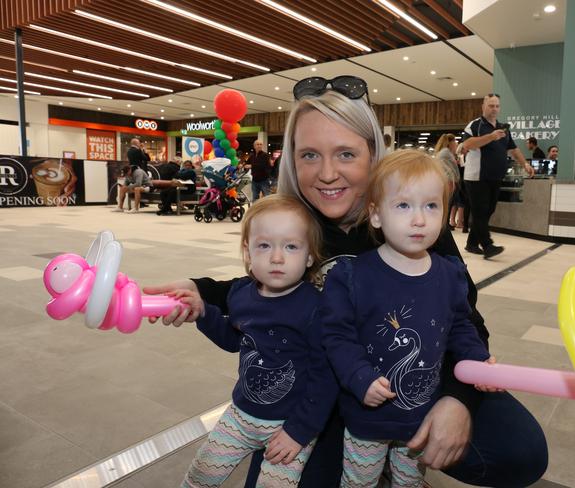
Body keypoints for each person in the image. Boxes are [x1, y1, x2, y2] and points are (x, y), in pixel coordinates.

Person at [145, 77, 547, 488]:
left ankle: (398, 454)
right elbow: (264, 282)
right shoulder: (298, 222)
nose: (327, 173)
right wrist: (199, 289)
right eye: (309, 155)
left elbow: (465, 319)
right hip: (322, 395)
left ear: (373, 155)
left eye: (346, 154)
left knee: (519, 450)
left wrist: (456, 399)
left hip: (404, 382)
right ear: (292, 161)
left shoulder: (411, 223)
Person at [321, 150, 495, 487]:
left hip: (419, 415)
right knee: (359, 481)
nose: (419, 219)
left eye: (431, 206)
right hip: (367, 417)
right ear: (375, 215)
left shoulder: (449, 274)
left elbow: (460, 325)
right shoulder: (353, 276)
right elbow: (336, 336)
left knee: (410, 481)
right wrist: (359, 376)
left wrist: (477, 360)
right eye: (403, 206)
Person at [175, 194, 338, 487]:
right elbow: (233, 340)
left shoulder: (316, 309)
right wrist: (204, 313)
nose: (277, 257)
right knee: (201, 475)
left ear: (310, 256)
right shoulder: (241, 293)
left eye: (291, 246)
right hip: (241, 416)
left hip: (289, 426)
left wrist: (299, 432)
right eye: (264, 245)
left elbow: (325, 378)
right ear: (248, 253)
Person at [463, 95, 535, 259]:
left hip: (495, 177)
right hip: (476, 177)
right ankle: (488, 246)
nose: (494, 109)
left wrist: (525, 164)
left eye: (497, 106)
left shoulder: (503, 128)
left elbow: (513, 149)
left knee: (489, 210)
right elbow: (467, 145)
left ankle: (472, 243)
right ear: (483, 106)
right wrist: (491, 137)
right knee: (480, 212)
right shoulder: (475, 125)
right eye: (491, 106)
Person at [434, 133, 464, 230]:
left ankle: (445, 224)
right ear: (450, 142)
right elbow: (453, 167)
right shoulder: (446, 152)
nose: (456, 143)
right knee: (448, 204)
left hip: (448, 180)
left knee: (448, 204)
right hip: (449, 181)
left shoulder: (444, 152)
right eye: (454, 141)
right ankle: (444, 225)